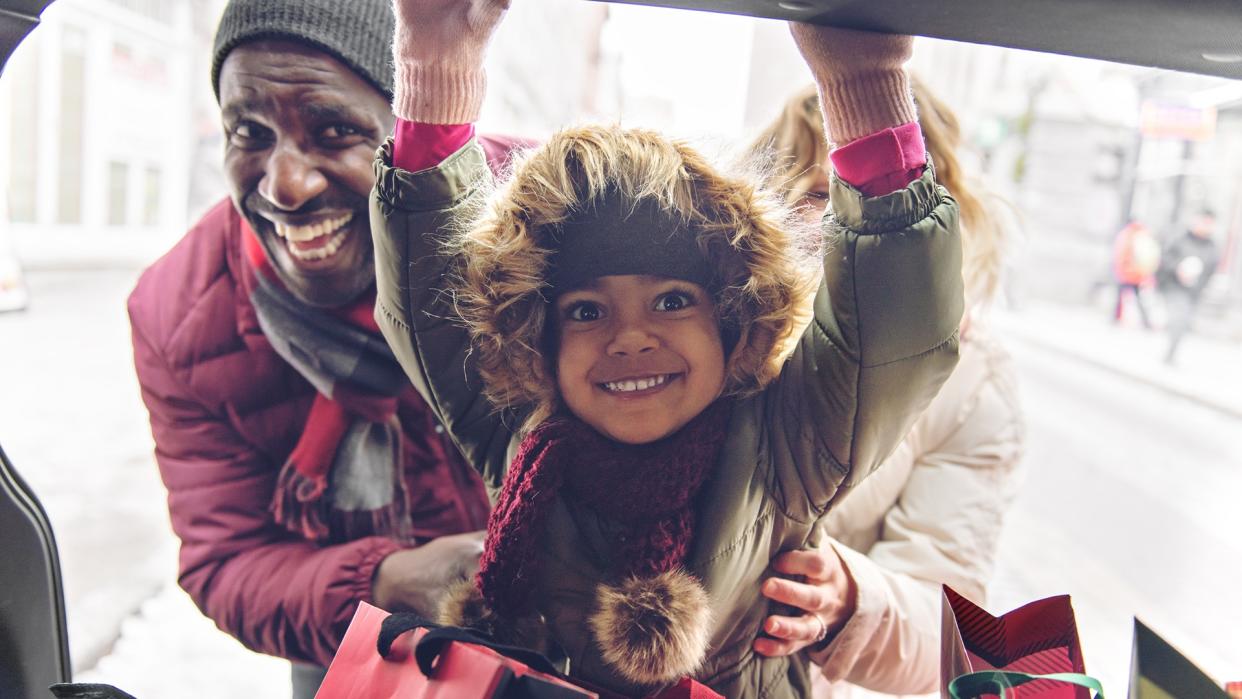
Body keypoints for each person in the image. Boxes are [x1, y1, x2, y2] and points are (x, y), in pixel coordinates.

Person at [370, 1, 963, 696]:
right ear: (540, 344)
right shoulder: (516, 429)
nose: (630, 337)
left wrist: (865, 81)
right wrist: (435, 69)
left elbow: (896, 335)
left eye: (673, 300)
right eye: (587, 310)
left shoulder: (786, 444)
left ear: (732, 323)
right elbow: (432, 299)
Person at [126, 1, 523, 695]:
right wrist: (382, 580)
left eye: (335, 130)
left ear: (407, 122)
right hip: (353, 633)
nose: (286, 185)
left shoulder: (537, 212)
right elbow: (228, 558)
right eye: (248, 132)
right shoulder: (180, 316)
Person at [747, 80, 1026, 697]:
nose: (846, 230)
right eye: (818, 196)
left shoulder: (973, 383)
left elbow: (952, 634)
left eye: (863, 200)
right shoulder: (704, 334)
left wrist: (849, 598)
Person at [1158, 209, 1221, 364]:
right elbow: (1165, 259)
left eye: (1209, 223)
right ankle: (1170, 354)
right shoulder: (1180, 238)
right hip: (1174, 286)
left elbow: (1211, 270)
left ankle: (1171, 350)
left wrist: (1200, 286)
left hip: (1193, 291)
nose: (1205, 226)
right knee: (1178, 318)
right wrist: (1178, 269)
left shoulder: (1212, 247)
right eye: (1203, 222)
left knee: (1184, 321)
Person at [1111, 219, 1160, 328]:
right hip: (1138, 273)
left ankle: (1118, 318)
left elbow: (1121, 255)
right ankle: (1144, 321)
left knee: (1124, 297)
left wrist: (1121, 270)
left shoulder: (1127, 235)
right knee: (1137, 298)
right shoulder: (1143, 235)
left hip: (1128, 272)